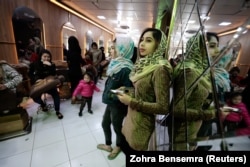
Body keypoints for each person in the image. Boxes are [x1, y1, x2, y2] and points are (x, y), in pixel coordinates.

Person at [117, 28, 172, 152]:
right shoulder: (143, 64)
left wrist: (131, 102)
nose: (141, 44)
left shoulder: (160, 70)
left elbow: (163, 107)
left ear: (158, 45)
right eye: (141, 40)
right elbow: (144, 92)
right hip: (131, 120)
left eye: (148, 40)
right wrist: (128, 90)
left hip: (141, 126)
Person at [169, 33, 217, 151]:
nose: (217, 50)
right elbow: (176, 109)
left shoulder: (202, 69)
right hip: (182, 128)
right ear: (198, 46)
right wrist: (207, 114)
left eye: (216, 46)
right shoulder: (190, 72)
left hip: (193, 126)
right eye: (212, 46)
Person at [97, 36, 135, 160]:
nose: (110, 51)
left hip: (118, 105)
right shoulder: (116, 64)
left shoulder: (126, 69)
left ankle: (119, 146)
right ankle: (108, 145)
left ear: (123, 50)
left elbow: (128, 91)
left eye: (114, 48)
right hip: (111, 102)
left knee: (117, 127)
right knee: (104, 124)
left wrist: (113, 94)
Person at [29, 49, 63, 119]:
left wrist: (50, 66)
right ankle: (43, 105)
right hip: (39, 85)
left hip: (49, 85)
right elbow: (30, 74)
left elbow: (54, 75)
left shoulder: (52, 65)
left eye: (48, 57)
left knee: (56, 94)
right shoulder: (34, 64)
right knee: (34, 97)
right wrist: (36, 79)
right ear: (41, 57)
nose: (47, 58)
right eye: (45, 56)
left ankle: (57, 111)